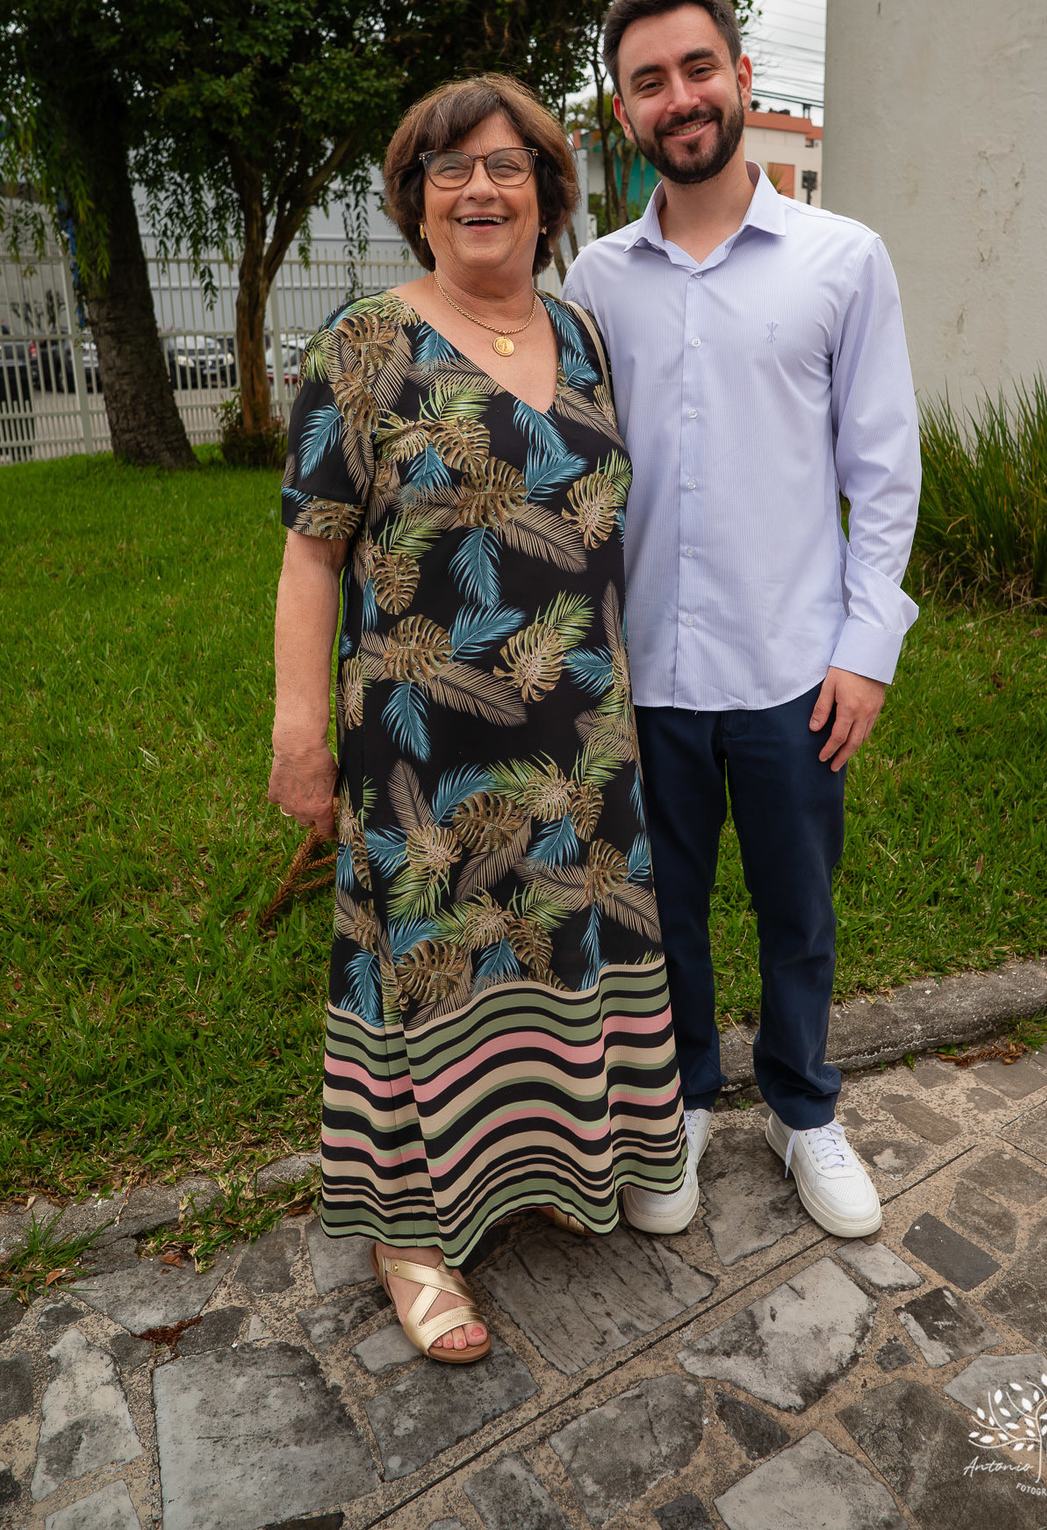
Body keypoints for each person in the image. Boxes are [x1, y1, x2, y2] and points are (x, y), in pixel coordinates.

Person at [269, 74, 686, 1365]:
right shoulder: (369, 343)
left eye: (506, 165)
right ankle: (410, 1236)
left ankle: (549, 1167)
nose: (481, 188)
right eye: (450, 169)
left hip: (583, 735)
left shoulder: (583, 331)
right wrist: (299, 731)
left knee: (562, 955)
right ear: (417, 197)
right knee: (428, 968)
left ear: (548, 192)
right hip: (426, 747)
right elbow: (313, 553)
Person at [564, 0, 921, 1239]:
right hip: (646, 667)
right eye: (650, 81)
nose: (681, 98)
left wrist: (866, 649)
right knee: (664, 910)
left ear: (743, 75)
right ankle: (686, 1101)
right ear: (624, 110)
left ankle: (804, 1106)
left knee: (797, 903)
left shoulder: (842, 260)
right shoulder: (593, 283)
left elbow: (883, 473)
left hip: (790, 665)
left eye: (697, 69)